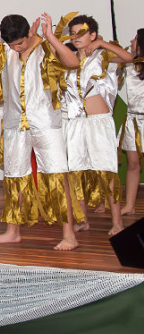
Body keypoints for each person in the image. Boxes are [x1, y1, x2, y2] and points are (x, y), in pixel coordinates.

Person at [0, 13, 82, 251]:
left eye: (19, 43)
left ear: (29, 34)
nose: (16, 48)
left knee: (57, 178)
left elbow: (73, 63)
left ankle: (69, 234)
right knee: (14, 178)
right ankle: (13, 232)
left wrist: (50, 36)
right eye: (11, 45)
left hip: (45, 123)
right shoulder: (5, 52)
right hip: (13, 125)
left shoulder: (45, 47)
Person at [62, 14, 130, 236]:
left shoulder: (103, 56)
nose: (75, 37)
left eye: (81, 33)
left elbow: (128, 57)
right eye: (72, 34)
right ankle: (83, 220)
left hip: (99, 123)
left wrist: (101, 43)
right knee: (76, 173)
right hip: (75, 123)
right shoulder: (69, 60)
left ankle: (117, 221)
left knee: (106, 171)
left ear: (92, 34)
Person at [119, 28, 144, 215]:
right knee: (133, 163)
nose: (131, 41)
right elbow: (112, 58)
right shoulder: (130, 64)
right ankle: (129, 205)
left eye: (135, 39)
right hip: (133, 119)